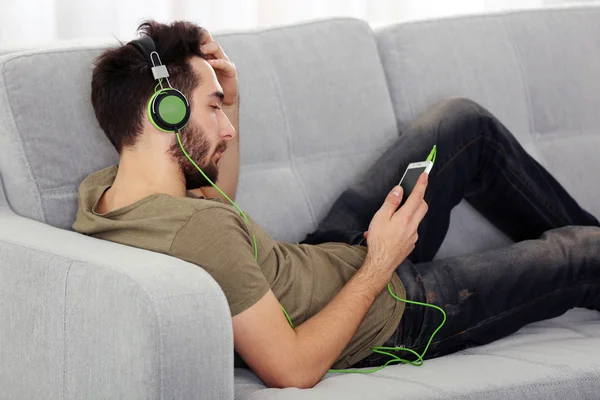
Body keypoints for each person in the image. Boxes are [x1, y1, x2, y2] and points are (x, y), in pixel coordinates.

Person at [73, 20, 600, 389]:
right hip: (393, 309)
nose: (228, 126)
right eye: (214, 108)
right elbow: (292, 370)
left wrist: (230, 94)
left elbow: (219, 204)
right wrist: (381, 260)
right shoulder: (194, 234)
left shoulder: (109, 196)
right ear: (164, 110)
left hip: (329, 257)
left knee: (463, 125)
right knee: (583, 251)